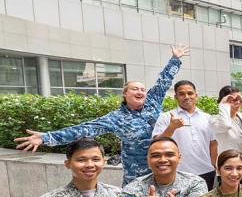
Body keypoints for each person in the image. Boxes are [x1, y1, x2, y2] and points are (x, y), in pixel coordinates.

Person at [15, 47, 189, 185]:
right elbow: (83, 129)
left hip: (162, 167)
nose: (140, 91)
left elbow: (164, 81)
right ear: (125, 94)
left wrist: (175, 59)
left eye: (142, 89)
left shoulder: (152, 102)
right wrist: (46, 138)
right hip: (137, 175)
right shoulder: (116, 118)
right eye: (135, 89)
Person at [152, 80, 217, 191]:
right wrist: (171, 128)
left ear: (196, 96)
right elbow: (156, 142)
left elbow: (213, 143)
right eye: (182, 94)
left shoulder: (207, 118)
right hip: (177, 172)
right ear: (175, 97)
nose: (186, 97)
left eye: (190, 93)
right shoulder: (166, 117)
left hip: (206, 171)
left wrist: (214, 165)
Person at [210, 86, 242, 186]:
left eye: (238, 99)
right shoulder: (214, 119)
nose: (236, 102)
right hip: (229, 168)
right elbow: (226, 125)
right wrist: (223, 105)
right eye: (232, 100)